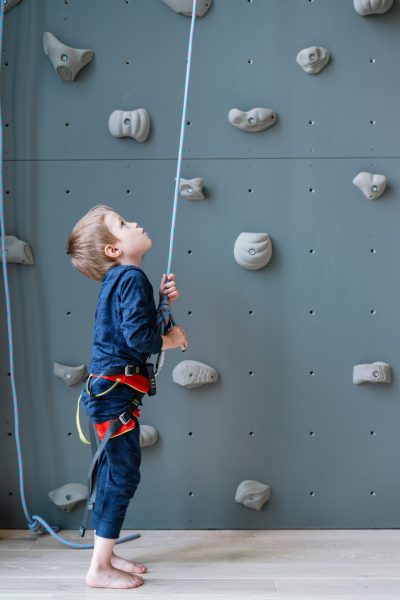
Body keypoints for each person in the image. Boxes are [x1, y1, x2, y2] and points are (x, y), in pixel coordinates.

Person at [67, 204, 188, 589]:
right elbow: (138, 340)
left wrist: (161, 305)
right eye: (122, 224)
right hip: (114, 395)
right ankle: (99, 568)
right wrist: (169, 337)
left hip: (108, 392)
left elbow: (126, 332)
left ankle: (107, 551)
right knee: (122, 475)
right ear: (112, 250)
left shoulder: (122, 279)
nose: (135, 222)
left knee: (115, 474)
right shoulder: (131, 278)